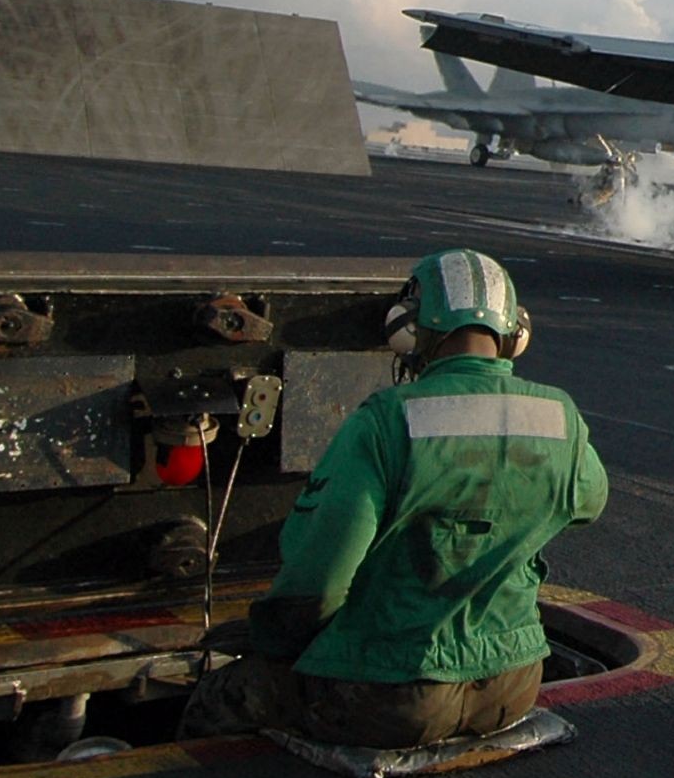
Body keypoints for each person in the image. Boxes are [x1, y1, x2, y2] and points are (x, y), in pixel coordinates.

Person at [180, 249, 607, 747]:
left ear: (409, 329)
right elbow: (589, 502)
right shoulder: (559, 415)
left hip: (390, 695)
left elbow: (320, 577)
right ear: (516, 334)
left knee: (220, 697)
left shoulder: (387, 420)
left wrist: (274, 640)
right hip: (511, 687)